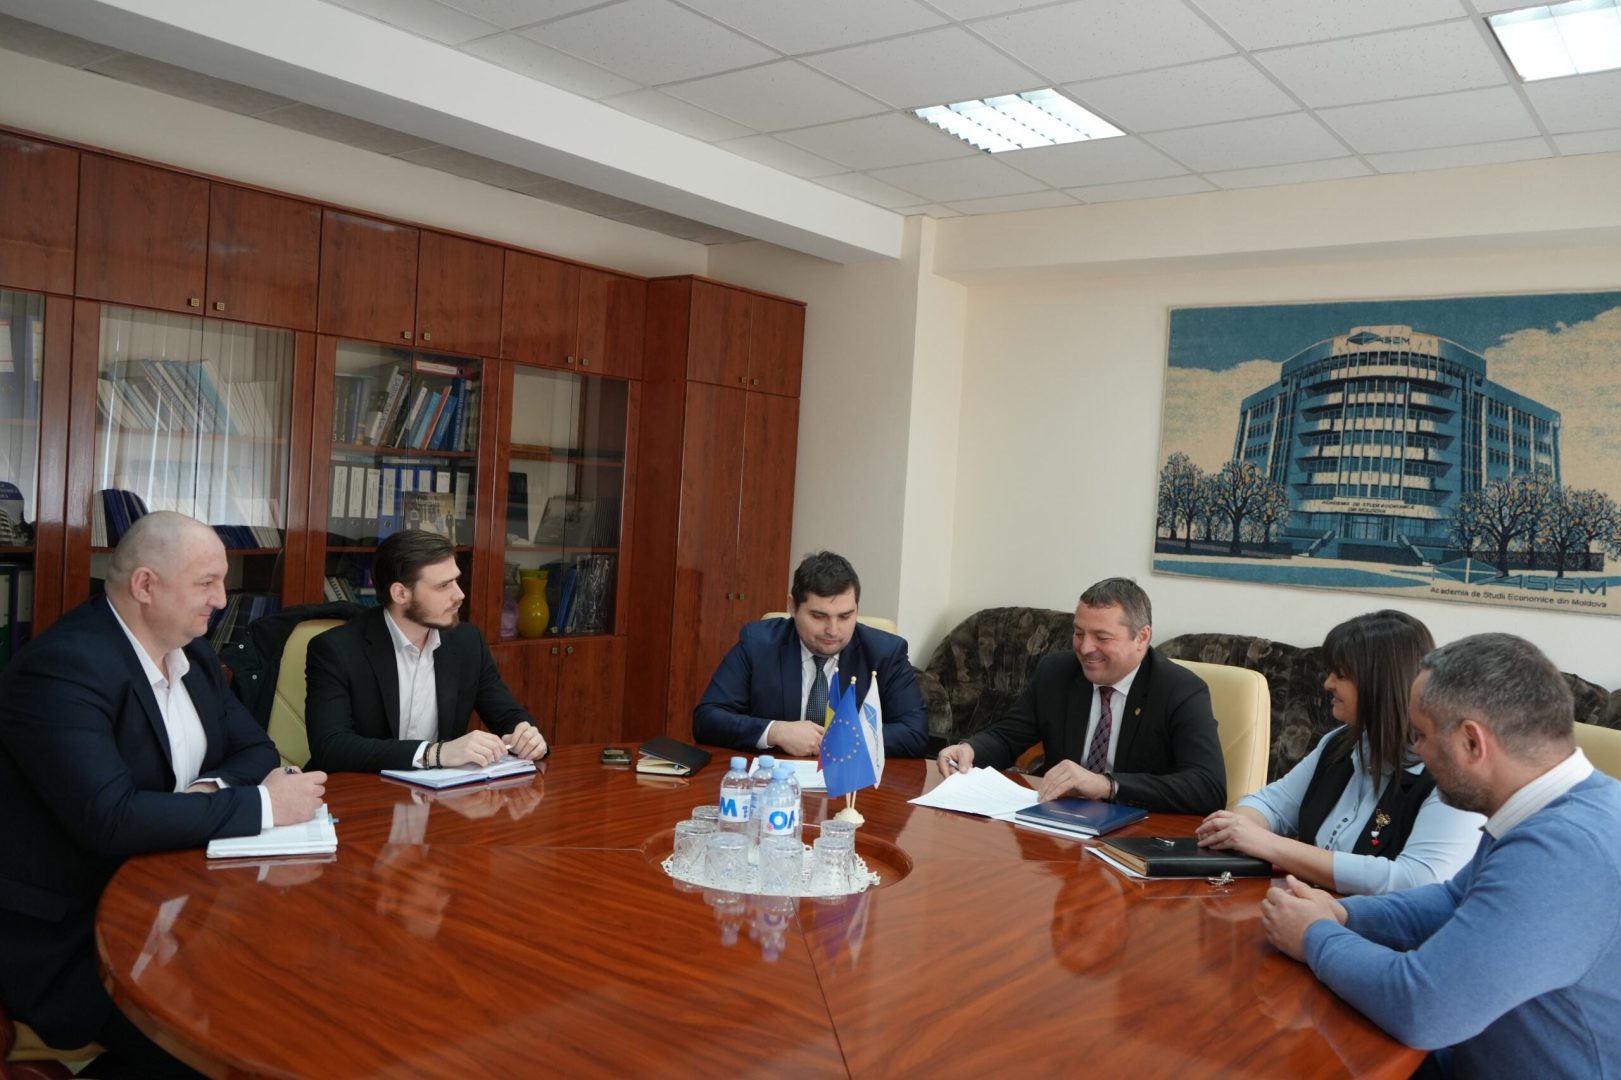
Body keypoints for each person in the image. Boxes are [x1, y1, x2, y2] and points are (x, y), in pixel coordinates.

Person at [0, 512, 326, 1078]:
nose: (221, 600)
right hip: (79, 935)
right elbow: (111, 819)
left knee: (300, 998)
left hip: (181, 903)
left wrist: (204, 792)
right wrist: (265, 805)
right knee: (235, 1045)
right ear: (146, 585)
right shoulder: (63, 669)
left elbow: (258, 750)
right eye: (206, 583)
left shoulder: (192, 653)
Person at [1262, 633, 1621, 1078]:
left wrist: (1315, 936)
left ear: (1472, 741)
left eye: (1422, 735)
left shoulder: (1563, 851)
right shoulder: (1559, 805)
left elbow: (1423, 1008)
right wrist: (1344, 914)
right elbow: (1454, 899)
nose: (1416, 751)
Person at [1196, 611, 1482, 894]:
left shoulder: (1449, 776)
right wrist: (1236, 827)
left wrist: (1268, 844)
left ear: (1379, 683)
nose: (1327, 684)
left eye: (1341, 675)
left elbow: (1416, 880)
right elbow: (1272, 805)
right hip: (1306, 905)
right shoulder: (1340, 742)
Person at [937, 577, 1226, 815]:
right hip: (1056, 827)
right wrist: (971, 749)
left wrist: (1107, 785)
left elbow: (1208, 787)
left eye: (1102, 637)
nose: (1085, 648)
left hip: (1136, 834)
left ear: (1141, 638)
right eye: (1078, 633)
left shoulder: (1180, 690)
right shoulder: (1056, 672)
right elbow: (1008, 736)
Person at [305, 530, 547, 773]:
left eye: (456, 580)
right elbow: (331, 747)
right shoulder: (337, 649)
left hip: (440, 790)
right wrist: (435, 753)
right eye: (443, 586)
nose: (460, 595)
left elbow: (506, 715)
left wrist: (527, 737)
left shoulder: (467, 642)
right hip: (362, 789)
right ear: (400, 593)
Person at [693, 551, 928, 757]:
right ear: (792, 606)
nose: (833, 630)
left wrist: (839, 737)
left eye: (845, 616)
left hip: (854, 785)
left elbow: (915, 734)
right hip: (776, 781)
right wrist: (775, 731)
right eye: (818, 616)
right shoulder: (758, 644)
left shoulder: (884, 652)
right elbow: (707, 718)